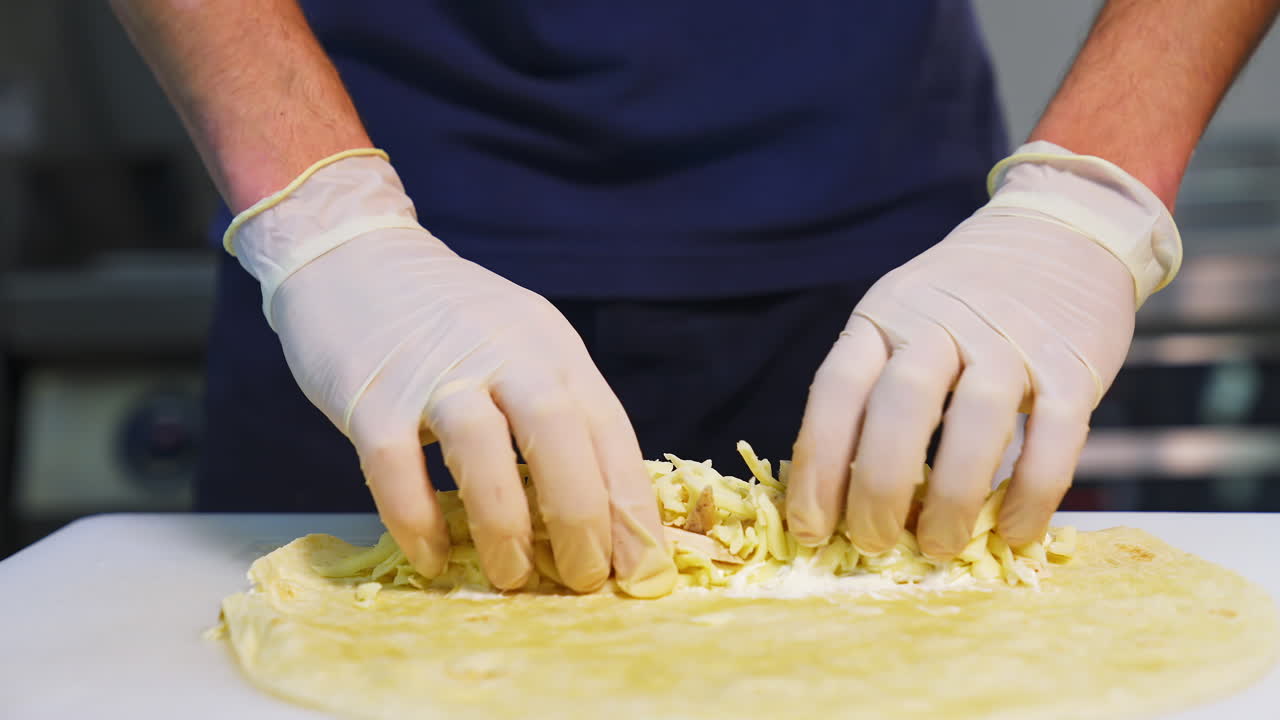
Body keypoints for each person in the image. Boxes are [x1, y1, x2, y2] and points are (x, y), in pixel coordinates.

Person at [111, 0, 1279, 597]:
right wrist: (321, 225)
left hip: (898, 282)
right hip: (373, 300)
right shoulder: (346, 264)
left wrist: (1086, 202)